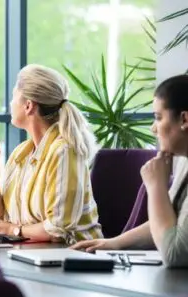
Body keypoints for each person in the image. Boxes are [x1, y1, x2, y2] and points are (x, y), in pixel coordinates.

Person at [0, 64, 103, 244]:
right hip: (31, 255)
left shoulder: (64, 151)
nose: (11, 103)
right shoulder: (21, 153)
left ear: (28, 106)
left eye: (13, 96)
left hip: (72, 258)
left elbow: (57, 229)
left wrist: (14, 229)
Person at [72, 74, 188, 268]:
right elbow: (169, 223)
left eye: (158, 118)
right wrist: (113, 243)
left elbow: (174, 254)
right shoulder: (184, 160)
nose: (153, 128)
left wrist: (156, 186)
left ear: (184, 119)